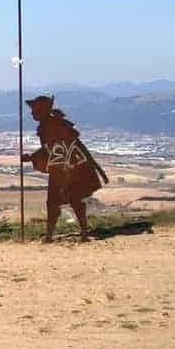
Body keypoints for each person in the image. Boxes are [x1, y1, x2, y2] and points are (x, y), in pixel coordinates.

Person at [22, 94, 108, 243]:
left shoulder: (56, 125)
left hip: (68, 169)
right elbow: (49, 149)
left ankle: (81, 233)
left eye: (35, 110)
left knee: (71, 199)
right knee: (57, 201)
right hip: (60, 168)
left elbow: (64, 147)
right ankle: (53, 235)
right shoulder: (47, 126)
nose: (32, 113)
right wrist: (31, 157)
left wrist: (67, 168)